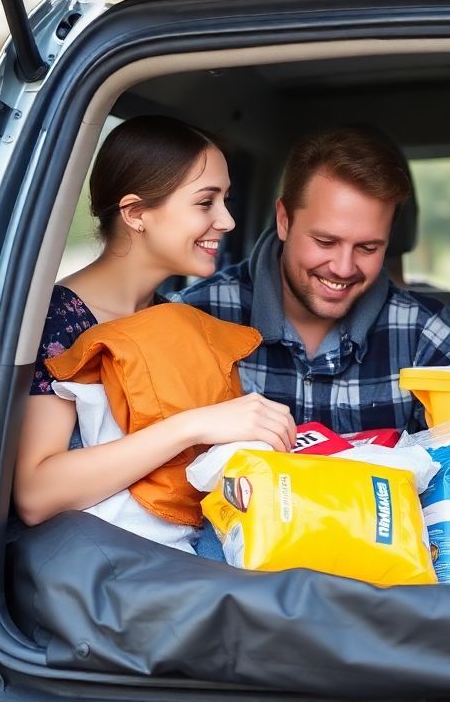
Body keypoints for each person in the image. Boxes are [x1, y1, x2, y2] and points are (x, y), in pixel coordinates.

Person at [15, 116, 297, 530]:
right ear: (136, 214)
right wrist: (192, 425)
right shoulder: (58, 321)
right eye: (205, 203)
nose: (227, 221)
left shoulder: (172, 315)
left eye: (226, 201)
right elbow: (35, 494)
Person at [177, 126, 450, 433]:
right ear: (284, 221)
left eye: (367, 248)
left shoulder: (428, 335)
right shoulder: (195, 318)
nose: (344, 268)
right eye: (325, 241)